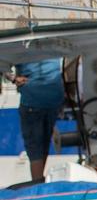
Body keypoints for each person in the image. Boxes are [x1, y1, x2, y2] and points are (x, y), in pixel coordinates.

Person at [9, 57, 74, 185]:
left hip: (32, 99)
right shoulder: (53, 44)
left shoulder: (21, 46)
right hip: (54, 98)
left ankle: (38, 185)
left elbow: (3, 65)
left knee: (34, 149)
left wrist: (13, 78)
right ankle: (40, 180)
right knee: (44, 143)